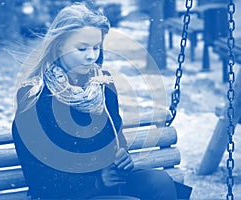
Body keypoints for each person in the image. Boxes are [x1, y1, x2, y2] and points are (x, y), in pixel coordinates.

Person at [12, 2, 191, 199]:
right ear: (59, 46)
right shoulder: (34, 96)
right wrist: (97, 182)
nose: (91, 56)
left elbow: (115, 138)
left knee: (159, 182)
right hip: (65, 193)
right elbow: (39, 177)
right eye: (81, 49)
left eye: (96, 47)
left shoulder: (102, 86)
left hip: (105, 186)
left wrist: (121, 158)